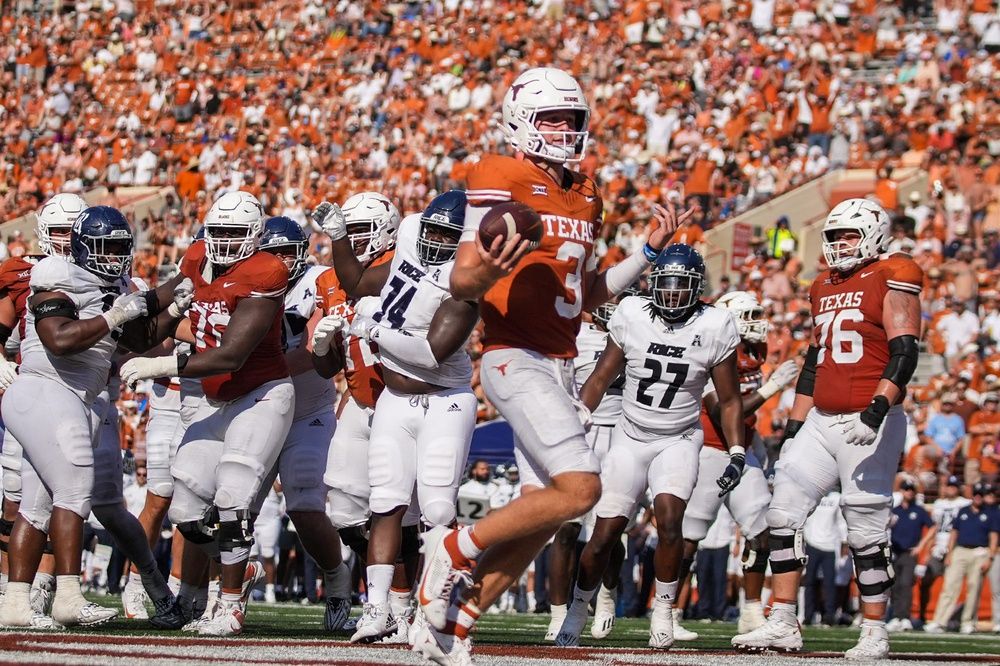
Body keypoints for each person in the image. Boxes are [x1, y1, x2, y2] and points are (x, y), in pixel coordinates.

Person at [412, 66, 684, 665]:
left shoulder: (586, 192)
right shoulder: (498, 172)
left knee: (545, 514)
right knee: (584, 489)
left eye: (572, 118)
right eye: (549, 118)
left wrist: (646, 254)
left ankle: (457, 623)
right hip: (516, 357)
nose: (564, 129)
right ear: (519, 124)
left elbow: (584, 293)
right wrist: (487, 266)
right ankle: (454, 550)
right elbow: (462, 278)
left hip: (561, 363)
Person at [733, 198, 923, 659]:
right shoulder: (822, 285)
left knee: (864, 530)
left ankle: (875, 630)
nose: (840, 244)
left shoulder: (893, 272)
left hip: (868, 418)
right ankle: (782, 621)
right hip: (821, 419)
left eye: (850, 235)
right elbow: (816, 364)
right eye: (834, 236)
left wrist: (877, 410)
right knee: (782, 515)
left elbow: (905, 351)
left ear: (875, 234)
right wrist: (795, 427)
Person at [120, 190, 295, 637]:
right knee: (185, 509)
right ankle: (240, 564)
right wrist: (134, 314)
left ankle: (230, 606)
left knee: (234, 495)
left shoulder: (266, 270)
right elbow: (161, 307)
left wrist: (158, 364)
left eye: (235, 233)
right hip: (217, 401)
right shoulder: (197, 259)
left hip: (260, 395)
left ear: (255, 236)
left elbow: (231, 355)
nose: (224, 241)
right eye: (217, 231)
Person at [557, 244, 744, 648]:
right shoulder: (632, 314)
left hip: (677, 438)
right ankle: (578, 607)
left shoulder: (715, 324)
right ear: (652, 284)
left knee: (670, 521)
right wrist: (579, 420)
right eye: (666, 284)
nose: (672, 294)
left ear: (697, 289)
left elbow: (729, 399)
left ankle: (662, 610)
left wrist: (737, 450)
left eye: (682, 286)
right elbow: (602, 375)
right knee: (604, 534)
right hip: (630, 435)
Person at [323, 191, 480, 644]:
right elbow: (355, 283)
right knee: (385, 503)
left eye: (446, 235)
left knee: (436, 509)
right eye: (431, 228)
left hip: (445, 400)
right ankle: (379, 610)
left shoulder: (466, 282)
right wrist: (338, 238)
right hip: (394, 397)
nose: (433, 239)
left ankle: (439, 608)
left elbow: (430, 354)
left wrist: (372, 329)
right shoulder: (410, 236)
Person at [0, 205, 149, 628]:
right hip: (46, 390)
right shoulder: (52, 273)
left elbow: (143, 329)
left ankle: (13, 602)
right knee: (74, 489)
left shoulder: (115, 282)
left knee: (36, 505)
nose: (115, 254)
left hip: (70, 397)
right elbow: (60, 339)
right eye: (107, 246)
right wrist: (116, 314)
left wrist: (174, 297)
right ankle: (67, 594)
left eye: (122, 246)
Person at [677, 290, 799, 635]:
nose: (757, 324)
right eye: (749, 316)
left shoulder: (754, 352)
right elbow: (722, 410)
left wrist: (753, 437)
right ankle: (668, 610)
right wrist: (772, 388)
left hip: (741, 450)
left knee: (762, 532)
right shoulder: (711, 349)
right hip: (710, 449)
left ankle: (750, 610)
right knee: (690, 536)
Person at [310, 191, 400, 632]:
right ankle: (387, 592)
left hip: (401, 404)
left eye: (363, 230)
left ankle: (404, 604)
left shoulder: (402, 267)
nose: (356, 240)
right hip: (359, 401)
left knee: (405, 511)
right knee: (345, 513)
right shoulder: (328, 281)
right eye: (349, 232)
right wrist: (321, 346)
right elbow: (328, 366)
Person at [258, 216, 352, 631]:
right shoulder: (247, 276)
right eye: (271, 251)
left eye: (285, 251)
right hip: (258, 406)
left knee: (304, 505)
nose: (279, 260)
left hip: (307, 410)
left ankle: (336, 581)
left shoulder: (317, 281)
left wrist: (254, 363)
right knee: (231, 505)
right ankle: (215, 596)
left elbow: (313, 351)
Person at [924, 483, 999, 634]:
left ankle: (968, 622)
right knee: (950, 586)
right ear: (972, 495)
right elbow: (954, 533)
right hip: (960, 550)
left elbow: (993, 536)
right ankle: (939, 621)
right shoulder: (963, 511)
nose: (978, 497)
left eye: (980, 494)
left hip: (980, 551)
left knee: (974, 587)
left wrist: (989, 557)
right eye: (976, 493)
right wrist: (950, 553)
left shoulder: (990, 513)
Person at [918, 476, 971, 626]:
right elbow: (934, 529)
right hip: (938, 547)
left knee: (951, 585)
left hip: (955, 548)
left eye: (954, 486)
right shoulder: (939, 504)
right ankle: (922, 615)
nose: (951, 488)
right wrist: (927, 554)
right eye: (949, 486)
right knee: (926, 579)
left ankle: (946, 619)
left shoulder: (965, 503)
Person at [887, 479, 934, 633]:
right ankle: (895, 616)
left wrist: (921, 546)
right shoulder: (895, 511)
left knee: (906, 584)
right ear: (902, 491)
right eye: (906, 489)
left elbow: (933, 527)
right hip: (895, 551)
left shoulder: (919, 511)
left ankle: (904, 617)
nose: (909, 492)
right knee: (895, 585)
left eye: (911, 489)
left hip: (909, 552)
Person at [457, 461, 500, 526]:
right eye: (482, 469)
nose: (486, 471)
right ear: (474, 471)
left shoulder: (496, 488)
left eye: (487, 469)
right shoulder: (463, 489)